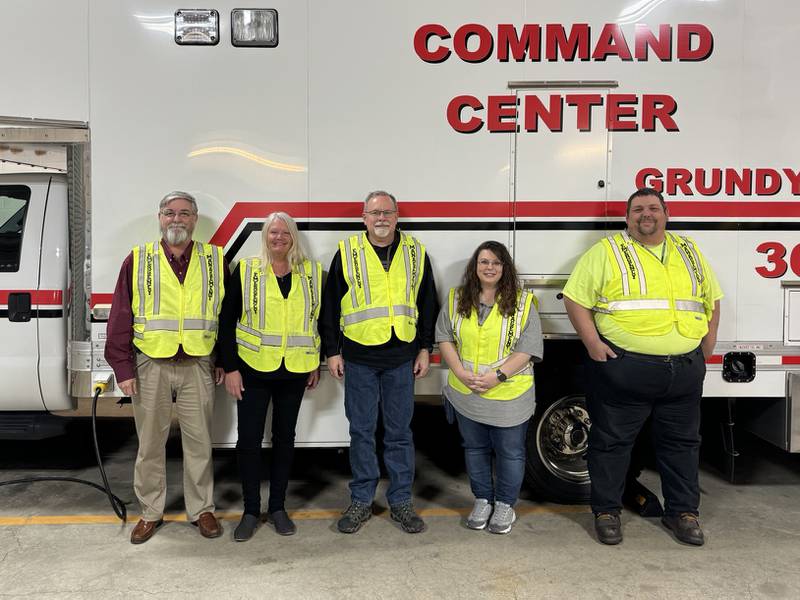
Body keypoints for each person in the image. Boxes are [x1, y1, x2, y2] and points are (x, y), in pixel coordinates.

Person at [563, 187, 722, 546]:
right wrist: (592, 343)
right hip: (626, 370)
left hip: (683, 371)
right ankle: (606, 512)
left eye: (653, 208)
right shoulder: (607, 251)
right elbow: (575, 299)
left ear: (666, 213)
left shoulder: (688, 250)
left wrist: (707, 344)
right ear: (627, 217)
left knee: (682, 445)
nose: (645, 215)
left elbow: (711, 298)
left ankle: (683, 514)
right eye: (637, 210)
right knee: (611, 444)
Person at [105, 191, 227, 544]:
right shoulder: (138, 259)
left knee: (200, 441)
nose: (177, 219)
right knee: (150, 443)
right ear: (160, 218)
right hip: (151, 364)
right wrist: (123, 368)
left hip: (198, 363)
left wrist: (223, 360)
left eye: (185, 214)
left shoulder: (215, 260)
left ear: (195, 219)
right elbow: (120, 316)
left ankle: (202, 509)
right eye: (170, 213)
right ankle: (150, 512)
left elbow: (226, 316)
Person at [320, 190, 439, 534]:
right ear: (364, 218)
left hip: (402, 356)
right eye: (375, 213)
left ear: (397, 216)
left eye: (387, 212)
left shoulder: (415, 252)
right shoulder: (348, 252)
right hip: (359, 356)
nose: (381, 218)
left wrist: (424, 348)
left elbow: (427, 301)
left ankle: (401, 501)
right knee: (361, 432)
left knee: (400, 433)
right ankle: (361, 500)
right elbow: (331, 305)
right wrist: (332, 350)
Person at [218, 212, 322, 541]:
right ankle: (251, 511)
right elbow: (226, 321)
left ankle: (277, 507)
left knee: (284, 440)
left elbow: (319, 319)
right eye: (272, 232)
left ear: (293, 237)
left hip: (294, 370)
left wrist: (315, 360)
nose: (278, 238)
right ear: (265, 236)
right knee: (248, 441)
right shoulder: (247, 270)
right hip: (252, 369)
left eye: (284, 232)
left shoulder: (312, 273)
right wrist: (231, 367)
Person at [437, 241, 543, 534]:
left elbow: (529, 347)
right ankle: (483, 499)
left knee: (510, 452)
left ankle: (506, 505)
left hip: (509, 393)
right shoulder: (457, 297)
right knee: (475, 449)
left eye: (496, 263)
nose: (490, 267)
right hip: (467, 392)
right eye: (484, 262)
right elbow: (444, 335)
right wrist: (459, 370)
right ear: (475, 267)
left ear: (505, 268)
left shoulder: (523, 303)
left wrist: (499, 376)